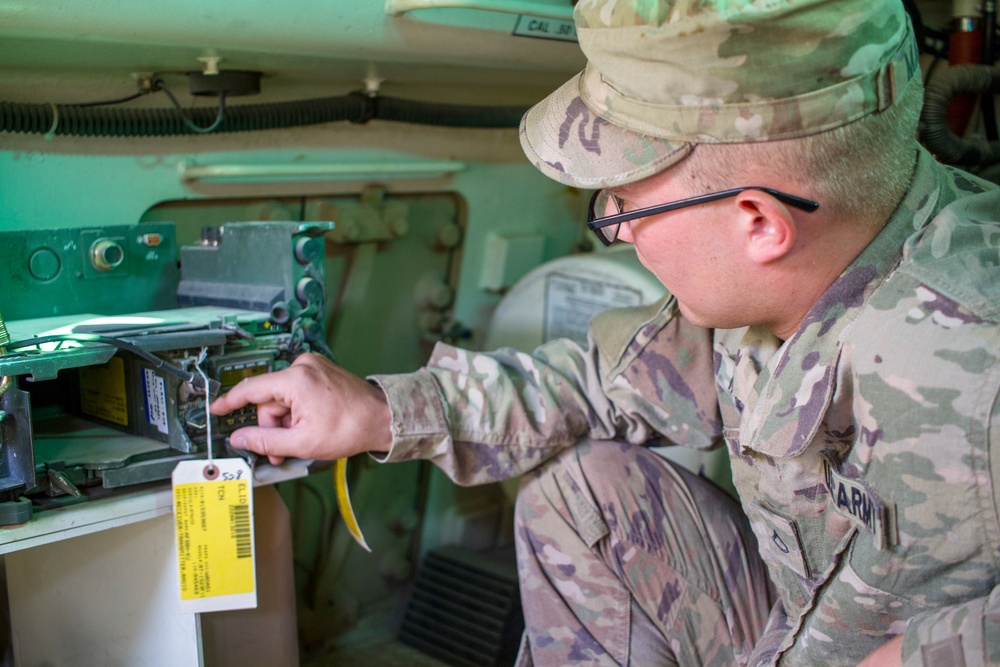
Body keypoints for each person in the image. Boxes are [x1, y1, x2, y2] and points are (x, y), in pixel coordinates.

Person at [210, 0, 1000, 664]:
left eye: (631, 203)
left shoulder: (974, 353)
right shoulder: (792, 277)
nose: (616, 230)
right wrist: (382, 411)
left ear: (760, 223)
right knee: (582, 493)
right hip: (799, 635)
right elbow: (600, 380)